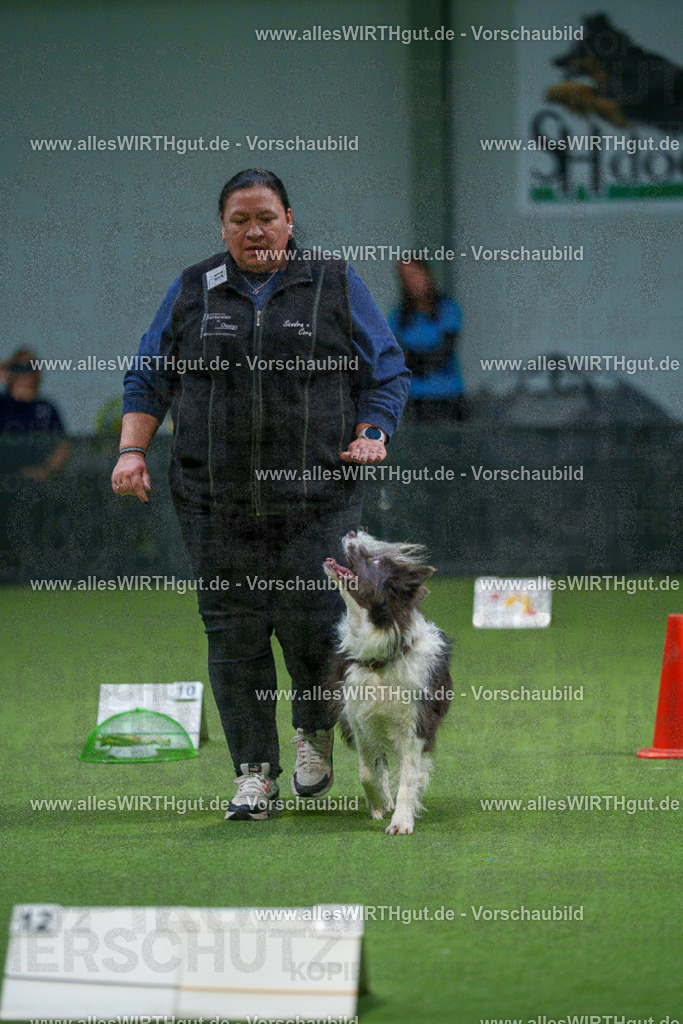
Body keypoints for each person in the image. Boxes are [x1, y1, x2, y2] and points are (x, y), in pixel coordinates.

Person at [112, 169, 410, 821]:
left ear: (289, 220)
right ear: (223, 227)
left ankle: (313, 734)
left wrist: (371, 432)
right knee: (233, 629)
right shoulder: (194, 287)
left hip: (318, 496)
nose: (254, 230)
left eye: (266, 217)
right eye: (240, 219)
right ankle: (253, 772)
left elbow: (384, 370)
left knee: (311, 619)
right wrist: (132, 450)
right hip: (213, 496)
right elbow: (149, 374)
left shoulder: (332, 282)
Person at [388, 258, 466, 422]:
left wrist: (413, 360)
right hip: (414, 398)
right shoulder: (398, 315)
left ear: (426, 274)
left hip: (448, 396)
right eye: (405, 277)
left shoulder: (447, 308)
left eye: (414, 275)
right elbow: (396, 358)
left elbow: (443, 354)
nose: (411, 282)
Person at [0, 349, 70, 478]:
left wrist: (46, 470)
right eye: (18, 368)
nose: (25, 373)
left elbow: (62, 446)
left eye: (30, 367)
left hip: (38, 482)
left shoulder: (46, 409)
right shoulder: (2, 405)